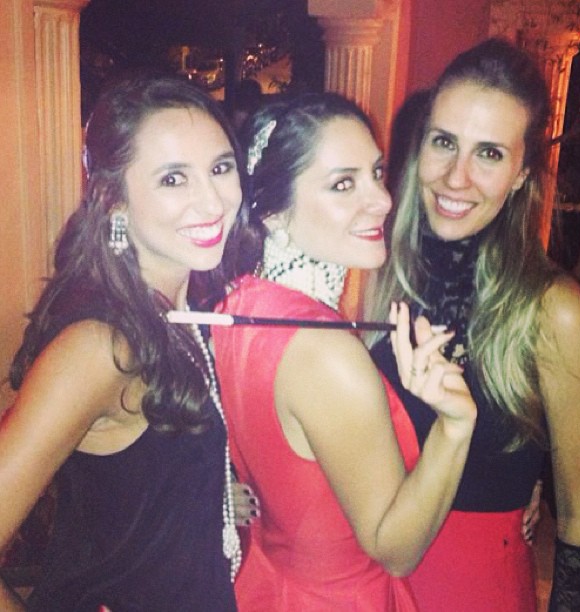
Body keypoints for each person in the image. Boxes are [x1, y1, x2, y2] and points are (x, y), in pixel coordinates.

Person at [367, 38, 580, 611]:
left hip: (473, 591)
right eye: (444, 142)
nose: (457, 177)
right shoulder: (375, 273)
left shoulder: (553, 309)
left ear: (522, 174)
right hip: (362, 581)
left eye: (490, 154)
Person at [0, 72, 258, 611]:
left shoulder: (179, 311)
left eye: (220, 168)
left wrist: (208, 497)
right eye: (173, 179)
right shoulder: (101, 346)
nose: (212, 201)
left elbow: (131, 483)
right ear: (114, 200)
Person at [210, 92, 477, 610]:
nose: (382, 200)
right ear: (273, 212)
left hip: (272, 585)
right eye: (343, 184)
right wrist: (455, 426)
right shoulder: (326, 353)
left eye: (376, 173)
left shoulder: (240, 304)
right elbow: (394, 549)